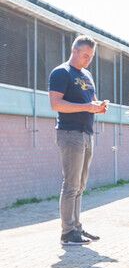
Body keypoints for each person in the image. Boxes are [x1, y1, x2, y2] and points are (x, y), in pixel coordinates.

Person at [49, 35, 108, 246]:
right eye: (85, 55)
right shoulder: (61, 73)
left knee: (80, 185)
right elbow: (56, 104)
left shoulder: (87, 75)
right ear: (74, 51)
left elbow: (89, 102)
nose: (88, 60)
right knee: (71, 184)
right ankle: (67, 233)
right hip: (70, 133)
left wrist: (98, 106)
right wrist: (86, 107)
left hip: (87, 133)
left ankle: (76, 227)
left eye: (91, 56)